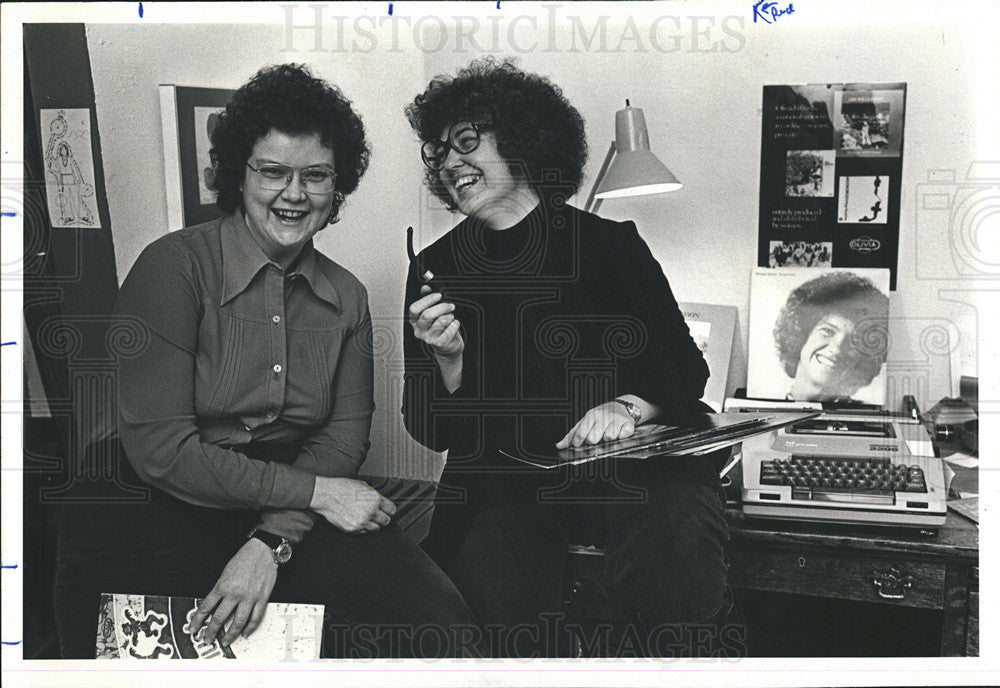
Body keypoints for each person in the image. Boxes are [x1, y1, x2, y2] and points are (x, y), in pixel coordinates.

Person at [53, 63, 474, 659]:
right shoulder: (172, 268)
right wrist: (321, 495)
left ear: (337, 187)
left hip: (287, 489)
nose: (294, 193)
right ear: (237, 176)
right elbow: (163, 450)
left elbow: (344, 438)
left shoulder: (346, 296)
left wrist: (269, 542)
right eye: (272, 172)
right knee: (164, 652)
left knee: (439, 626)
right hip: (150, 491)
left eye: (316, 176)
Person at [402, 59, 730, 658]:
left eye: (467, 142)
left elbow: (686, 366)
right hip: (506, 489)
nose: (449, 163)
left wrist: (628, 406)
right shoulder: (435, 268)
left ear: (522, 141)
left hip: (632, 474)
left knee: (676, 537)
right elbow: (429, 429)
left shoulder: (608, 245)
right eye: (438, 151)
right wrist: (448, 360)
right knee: (492, 586)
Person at [773, 271, 889, 402]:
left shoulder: (864, 416)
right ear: (800, 335)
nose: (837, 348)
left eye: (854, 341)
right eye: (828, 331)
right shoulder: (765, 405)